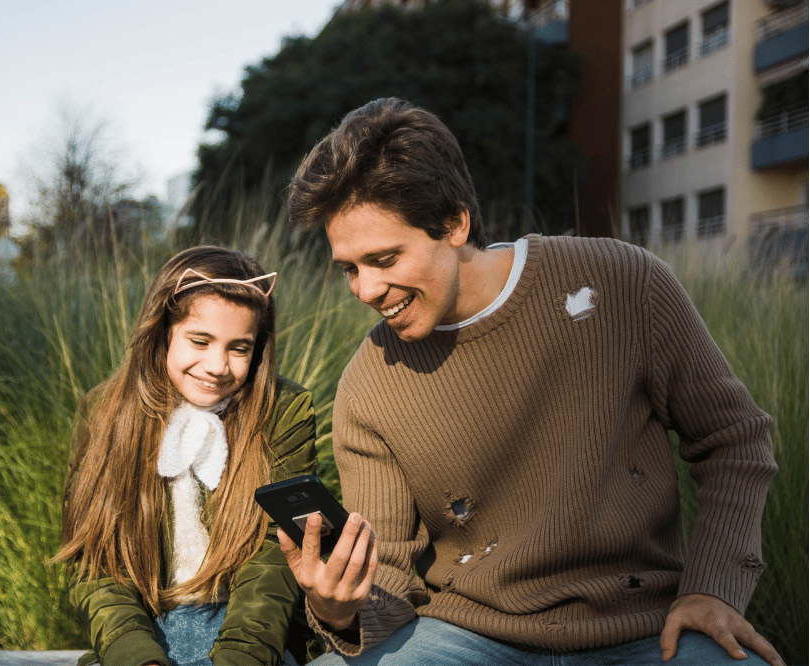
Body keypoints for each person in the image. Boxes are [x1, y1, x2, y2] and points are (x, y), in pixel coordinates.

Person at [279, 97, 784, 666]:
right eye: (349, 268)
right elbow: (391, 577)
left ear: (453, 223)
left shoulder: (622, 283)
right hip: (464, 638)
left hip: (643, 629)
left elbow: (733, 438)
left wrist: (712, 589)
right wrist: (337, 609)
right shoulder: (370, 382)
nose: (365, 291)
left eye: (385, 259)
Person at [56, 246, 320, 666]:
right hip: (144, 628)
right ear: (162, 331)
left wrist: (240, 657)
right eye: (200, 341)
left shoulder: (282, 410)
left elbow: (277, 553)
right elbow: (94, 562)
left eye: (239, 348)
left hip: (248, 630)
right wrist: (135, 654)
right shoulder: (105, 413)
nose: (217, 365)